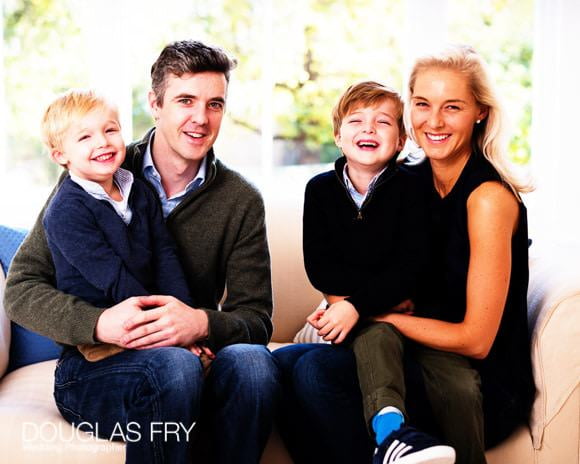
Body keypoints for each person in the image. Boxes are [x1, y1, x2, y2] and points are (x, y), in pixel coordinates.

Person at [4, 40, 279, 464]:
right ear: (154, 103)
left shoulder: (240, 200)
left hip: (189, 356)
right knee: (173, 369)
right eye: (185, 100)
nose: (200, 119)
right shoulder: (95, 171)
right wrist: (99, 323)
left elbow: (256, 320)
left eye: (215, 104)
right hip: (99, 367)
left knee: (255, 365)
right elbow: (20, 290)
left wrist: (198, 323)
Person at [275, 45, 535, 464]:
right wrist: (347, 305)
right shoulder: (406, 181)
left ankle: (394, 444)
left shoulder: (487, 198)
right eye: (422, 104)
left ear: (480, 113)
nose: (434, 121)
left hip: (477, 382)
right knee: (278, 367)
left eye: (452, 107)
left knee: (314, 372)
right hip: (406, 353)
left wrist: (366, 311)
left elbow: (477, 341)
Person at [274, 81, 447, 463]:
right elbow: (321, 267)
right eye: (356, 121)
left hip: (389, 326)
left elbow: (410, 268)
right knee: (277, 366)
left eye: (383, 122)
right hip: (345, 310)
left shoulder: (413, 190)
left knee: (369, 336)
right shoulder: (320, 190)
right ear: (338, 136)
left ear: (401, 140)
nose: (368, 129)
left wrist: (356, 306)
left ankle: (392, 433)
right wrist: (352, 303)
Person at [41, 89, 195, 362]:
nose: (102, 142)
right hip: (106, 332)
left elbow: (164, 255)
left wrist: (182, 315)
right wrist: (159, 327)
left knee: (199, 360)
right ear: (60, 155)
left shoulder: (138, 190)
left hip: (150, 313)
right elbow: (113, 278)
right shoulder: (66, 211)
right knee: (178, 363)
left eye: (110, 130)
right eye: (85, 137)